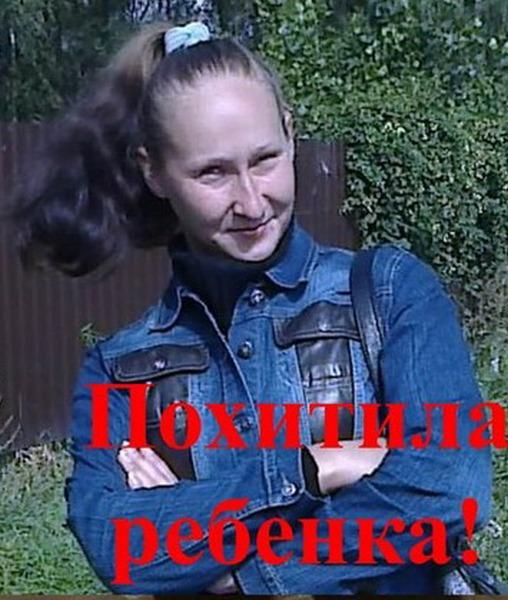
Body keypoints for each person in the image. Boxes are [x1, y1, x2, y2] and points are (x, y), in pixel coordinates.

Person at [8, 20, 492, 595]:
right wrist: (318, 467)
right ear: (153, 170)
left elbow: (448, 487)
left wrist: (240, 569)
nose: (251, 202)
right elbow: (116, 547)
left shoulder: (390, 292)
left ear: (290, 133)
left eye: (264, 159)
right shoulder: (120, 371)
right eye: (212, 172)